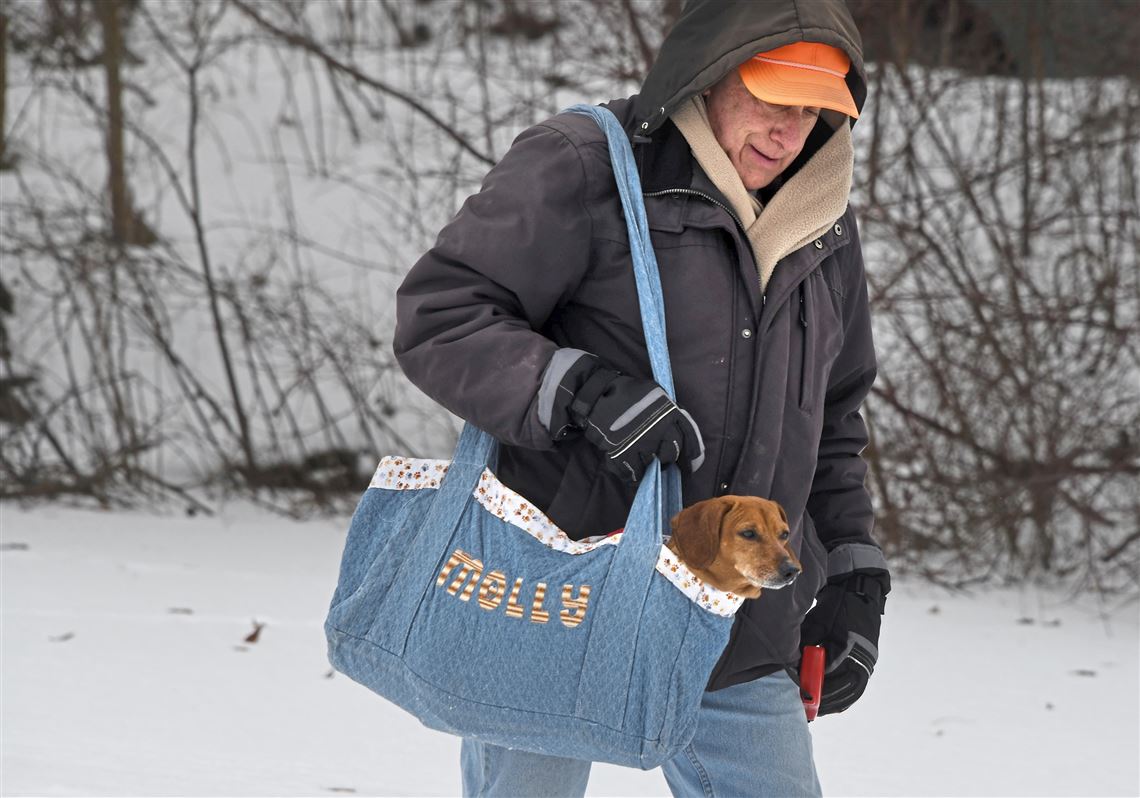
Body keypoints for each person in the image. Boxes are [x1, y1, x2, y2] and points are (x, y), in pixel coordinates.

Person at [393, 0, 891, 795]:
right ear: (708, 76)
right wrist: (574, 387)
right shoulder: (585, 165)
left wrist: (855, 574)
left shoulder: (822, 224)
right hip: (557, 600)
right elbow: (442, 316)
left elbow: (832, 416)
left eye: (813, 111)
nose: (788, 134)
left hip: (732, 621)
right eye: (770, 99)